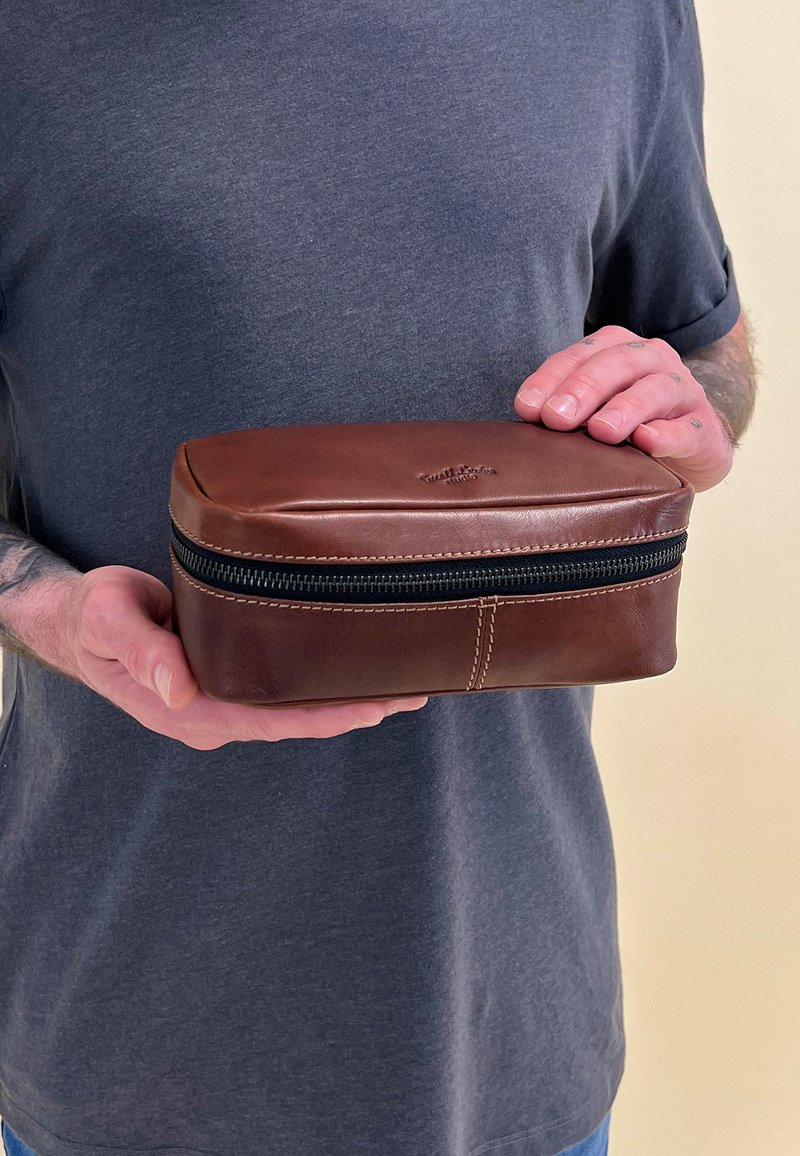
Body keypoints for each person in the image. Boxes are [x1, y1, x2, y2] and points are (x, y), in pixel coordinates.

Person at [0, 2, 757, 1155]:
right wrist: (48, 608)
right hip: (123, 1042)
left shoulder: (615, 15)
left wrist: (688, 411)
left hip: (514, 1033)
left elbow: (706, 353)